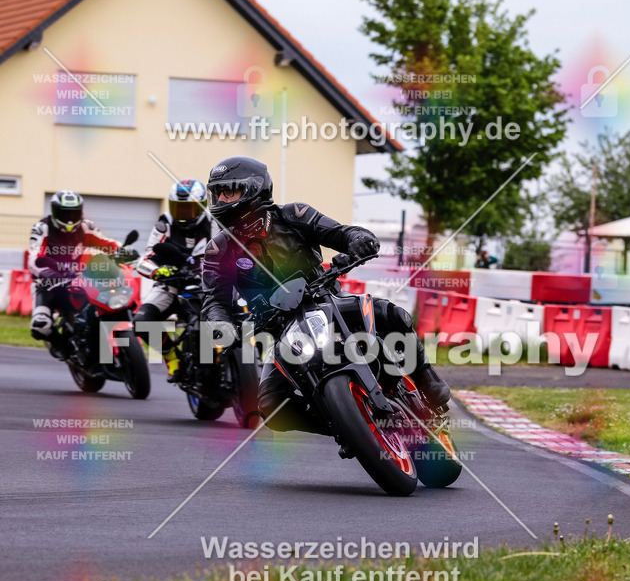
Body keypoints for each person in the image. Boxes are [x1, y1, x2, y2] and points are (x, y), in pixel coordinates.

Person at [201, 156, 451, 433]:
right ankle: (342, 426)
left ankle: (429, 383)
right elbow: (214, 298)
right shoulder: (218, 249)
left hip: (326, 299)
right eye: (218, 192)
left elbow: (341, 233)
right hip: (278, 326)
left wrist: (359, 241)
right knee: (272, 406)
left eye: (229, 191)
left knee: (392, 315)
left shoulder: (294, 215)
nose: (222, 199)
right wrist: (221, 325)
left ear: (254, 188)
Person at [135, 180, 212, 380]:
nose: (184, 213)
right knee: (142, 321)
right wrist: (157, 272)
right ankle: (171, 357)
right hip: (172, 285)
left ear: (202, 206)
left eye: (190, 208)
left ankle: (247, 355)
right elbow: (146, 257)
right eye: (179, 208)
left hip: (210, 285)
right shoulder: (165, 223)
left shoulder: (215, 223)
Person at [28, 191, 120, 341]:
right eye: (65, 214)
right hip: (48, 283)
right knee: (40, 326)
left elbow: (107, 244)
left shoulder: (86, 226)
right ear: (54, 211)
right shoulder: (42, 228)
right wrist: (47, 272)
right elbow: (34, 258)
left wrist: (125, 253)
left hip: (79, 278)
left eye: (74, 213)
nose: (70, 219)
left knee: (107, 303)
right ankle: (62, 346)